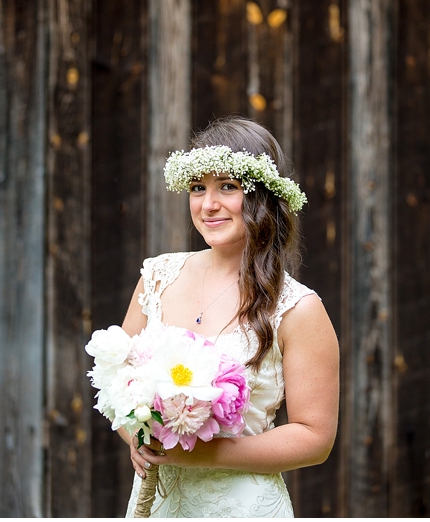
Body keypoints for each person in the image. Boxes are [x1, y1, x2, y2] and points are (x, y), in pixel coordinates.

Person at [119, 116, 339, 517]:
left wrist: (204, 454)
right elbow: (118, 380)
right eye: (197, 188)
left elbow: (315, 438)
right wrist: (135, 433)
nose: (208, 205)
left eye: (228, 187)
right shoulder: (156, 277)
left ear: (262, 196)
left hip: (242, 505)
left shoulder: (298, 308)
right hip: (155, 502)